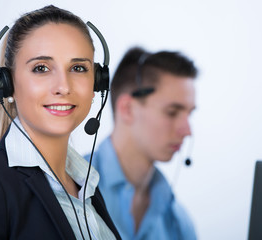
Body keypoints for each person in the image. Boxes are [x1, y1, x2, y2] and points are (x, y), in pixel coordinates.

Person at [0, 5, 121, 240]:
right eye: (41, 68)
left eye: (78, 68)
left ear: (97, 83)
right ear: (7, 84)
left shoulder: (87, 187)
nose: (63, 87)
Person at [85, 47, 198, 239]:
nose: (187, 131)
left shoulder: (178, 221)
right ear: (128, 109)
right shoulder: (65, 188)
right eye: (172, 112)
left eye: (189, 114)